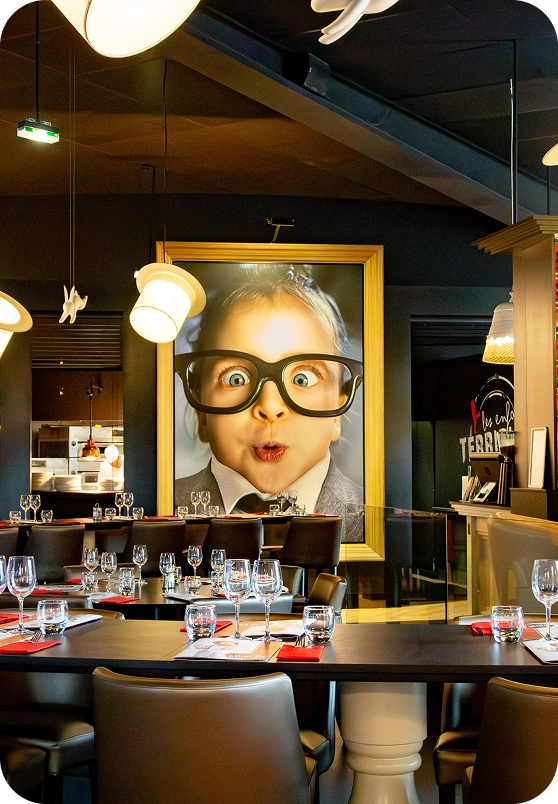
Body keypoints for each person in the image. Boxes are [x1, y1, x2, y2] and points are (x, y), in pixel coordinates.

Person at [174, 265, 364, 541]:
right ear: (201, 414)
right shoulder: (167, 509)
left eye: (302, 379)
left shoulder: (371, 520)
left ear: (336, 415)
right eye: (236, 379)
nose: (271, 407)